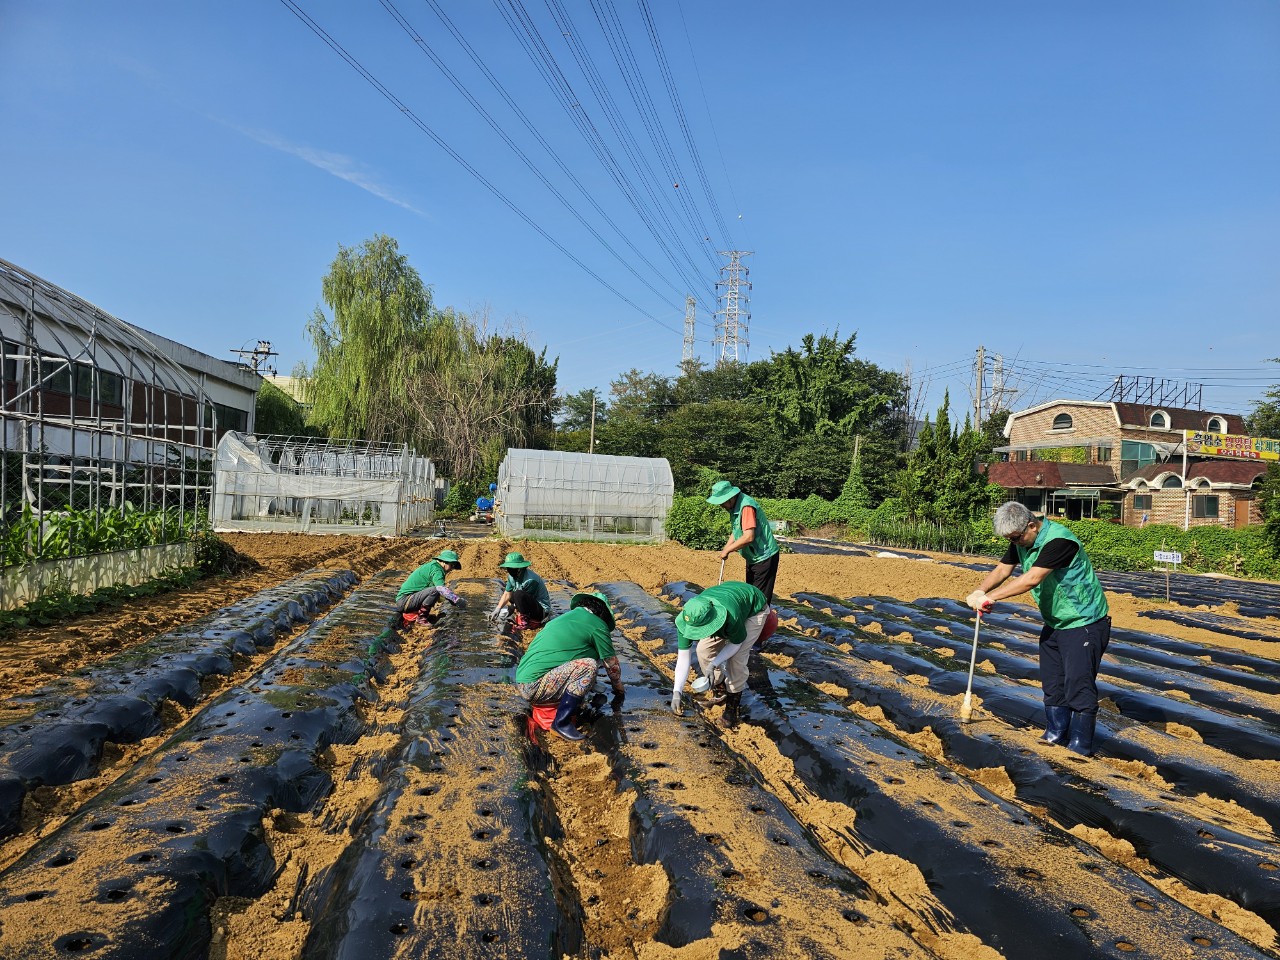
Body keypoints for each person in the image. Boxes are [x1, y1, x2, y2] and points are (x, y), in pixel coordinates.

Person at [966, 502, 1110, 756]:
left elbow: (1031, 578)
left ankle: (1080, 746)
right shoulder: (1023, 539)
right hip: (1056, 622)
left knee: (1078, 685)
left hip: (1083, 622)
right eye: (1011, 539)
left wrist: (993, 598)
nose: (1015, 543)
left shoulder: (1059, 541)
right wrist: (980, 590)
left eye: (1017, 537)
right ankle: (1055, 733)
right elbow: (1003, 569)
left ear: (1031, 526)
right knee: (1053, 683)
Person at [515, 591, 624, 741]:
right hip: (536, 686)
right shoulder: (597, 624)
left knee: (585, 661)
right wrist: (619, 690)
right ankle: (561, 723)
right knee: (588, 665)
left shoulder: (562, 620)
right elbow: (611, 665)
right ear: (603, 613)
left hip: (524, 682)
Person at [671, 581, 770, 729]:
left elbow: (736, 644)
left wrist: (714, 663)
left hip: (753, 609)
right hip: (726, 600)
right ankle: (720, 690)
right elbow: (683, 659)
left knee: (736, 661)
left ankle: (732, 709)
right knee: (703, 651)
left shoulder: (732, 616)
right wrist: (676, 691)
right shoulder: (688, 619)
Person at [707, 480, 780, 603]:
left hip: (764, 557)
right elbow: (737, 531)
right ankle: (754, 620)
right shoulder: (735, 506)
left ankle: (760, 621)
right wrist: (726, 547)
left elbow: (748, 536)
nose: (721, 506)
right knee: (751, 592)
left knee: (759, 599)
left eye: (722, 502)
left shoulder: (746, 506)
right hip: (753, 557)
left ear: (730, 498)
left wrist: (728, 550)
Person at [395, 549, 467, 623]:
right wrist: (456, 600)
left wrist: (452, 601)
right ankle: (421, 618)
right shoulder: (437, 570)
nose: (452, 569)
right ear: (444, 562)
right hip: (405, 601)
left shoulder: (433, 566)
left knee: (437, 592)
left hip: (407, 600)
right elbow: (441, 589)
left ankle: (420, 615)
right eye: (451, 565)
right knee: (435, 590)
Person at [487, 551, 552, 628]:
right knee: (512, 594)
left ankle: (524, 620)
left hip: (540, 611)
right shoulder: (512, 577)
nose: (510, 570)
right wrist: (497, 609)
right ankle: (520, 613)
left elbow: (524, 599)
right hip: (527, 602)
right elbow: (507, 594)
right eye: (509, 568)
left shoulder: (530, 580)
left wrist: (512, 608)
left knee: (518, 594)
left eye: (512, 568)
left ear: (520, 568)